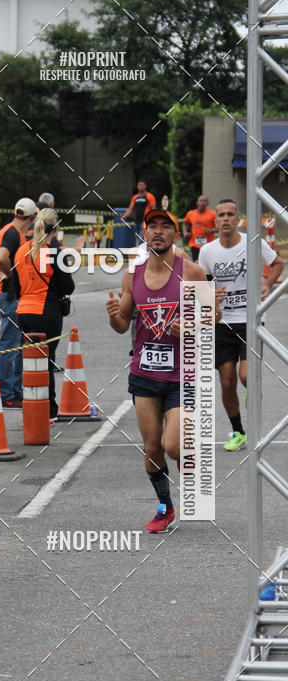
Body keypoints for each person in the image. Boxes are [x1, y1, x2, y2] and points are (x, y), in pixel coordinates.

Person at [106, 209, 215, 534]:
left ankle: (187, 455)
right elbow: (123, 322)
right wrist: (114, 315)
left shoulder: (192, 272)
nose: (158, 231)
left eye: (165, 226)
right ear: (144, 232)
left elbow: (213, 316)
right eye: (152, 226)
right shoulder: (132, 275)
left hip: (183, 375)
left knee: (172, 445)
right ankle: (165, 507)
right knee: (152, 447)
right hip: (144, 374)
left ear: (176, 235)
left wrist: (192, 324)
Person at [199, 199, 284, 452]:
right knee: (227, 382)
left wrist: (267, 284)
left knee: (246, 376)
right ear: (216, 221)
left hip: (250, 320)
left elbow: (278, 262)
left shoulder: (252, 242)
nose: (225, 219)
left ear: (238, 220)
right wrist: (209, 297)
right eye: (221, 215)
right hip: (221, 323)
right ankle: (238, 432)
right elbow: (202, 282)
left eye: (230, 214)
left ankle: (255, 418)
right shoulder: (207, 252)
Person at [13, 208, 74, 421]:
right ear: (55, 229)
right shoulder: (55, 254)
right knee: (46, 361)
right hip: (47, 312)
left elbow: (15, 284)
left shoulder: (21, 251)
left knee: (30, 361)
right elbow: (68, 287)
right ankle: (47, 410)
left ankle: (31, 404)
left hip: (23, 312)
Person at [0, 198, 37, 408]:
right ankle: (7, 394)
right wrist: (13, 275)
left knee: (14, 343)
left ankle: (12, 391)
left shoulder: (7, 230)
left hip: (4, 293)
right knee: (10, 344)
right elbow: (2, 258)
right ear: (32, 217)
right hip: (8, 294)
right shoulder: (13, 234)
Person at [182, 195, 216, 261]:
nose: (202, 203)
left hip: (208, 244)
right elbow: (185, 222)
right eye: (200, 201)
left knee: (207, 263)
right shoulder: (191, 213)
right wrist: (185, 232)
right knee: (196, 263)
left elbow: (218, 227)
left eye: (204, 201)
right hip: (194, 244)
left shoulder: (212, 214)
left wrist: (212, 230)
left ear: (208, 204)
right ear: (197, 203)